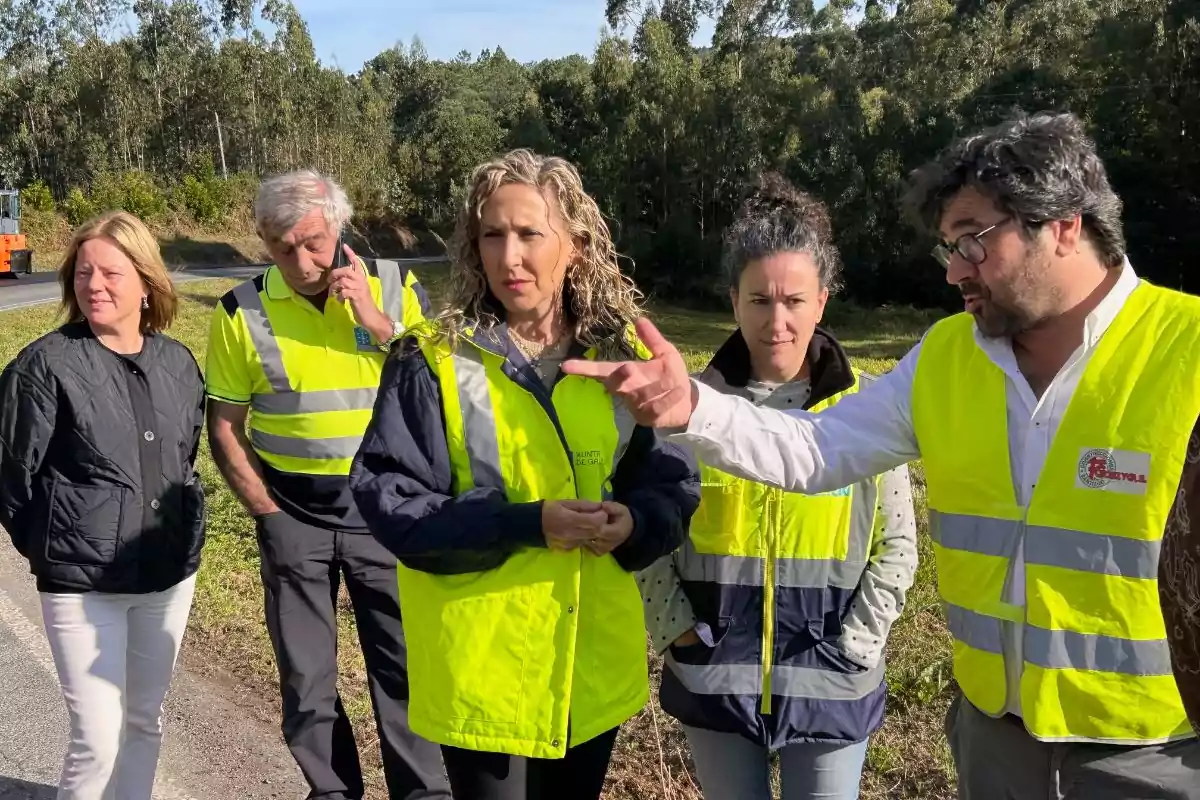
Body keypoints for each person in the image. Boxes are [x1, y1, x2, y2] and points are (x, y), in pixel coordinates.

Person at [563, 110, 1200, 798]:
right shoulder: (947, 358)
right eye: (949, 247)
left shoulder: (1185, 349)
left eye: (974, 241)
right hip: (994, 738)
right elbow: (816, 447)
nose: (956, 269)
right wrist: (692, 407)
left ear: (1066, 225)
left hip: (1149, 750)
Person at [348, 148, 701, 800]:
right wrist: (524, 523)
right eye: (492, 234)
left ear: (576, 245)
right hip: (485, 678)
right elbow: (391, 502)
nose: (509, 257)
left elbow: (671, 480)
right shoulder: (431, 360)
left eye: (529, 234)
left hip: (587, 672)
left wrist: (636, 522)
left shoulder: (621, 360)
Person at [635, 173, 918, 799]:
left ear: (822, 301)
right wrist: (676, 630)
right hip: (715, 678)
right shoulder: (688, 410)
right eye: (760, 301)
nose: (778, 322)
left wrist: (858, 645)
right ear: (734, 301)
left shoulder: (868, 412)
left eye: (794, 301)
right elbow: (652, 533)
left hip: (833, 684)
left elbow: (896, 546)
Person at [204, 169, 448, 800]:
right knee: (306, 679)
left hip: (387, 515)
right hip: (294, 516)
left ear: (339, 226)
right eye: (281, 247)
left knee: (403, 671)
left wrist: (374, 318)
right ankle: (332, 790)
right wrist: (267, 512)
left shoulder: (395, 286)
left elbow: (444, 385)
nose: (300, 260)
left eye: (311, 241)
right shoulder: (241, 311)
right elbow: (225, 426)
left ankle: (424, 793)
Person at [0, 210, 205, 800]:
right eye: (83, 273)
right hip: (80, 587)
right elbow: (13, 479)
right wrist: (58, 544)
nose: (95, 285)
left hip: (166, 578)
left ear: (146, 282)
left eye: (111, 273)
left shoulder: (179, 364)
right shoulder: (45, 365)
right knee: (97, 737)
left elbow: (183, 458)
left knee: (144, 723)